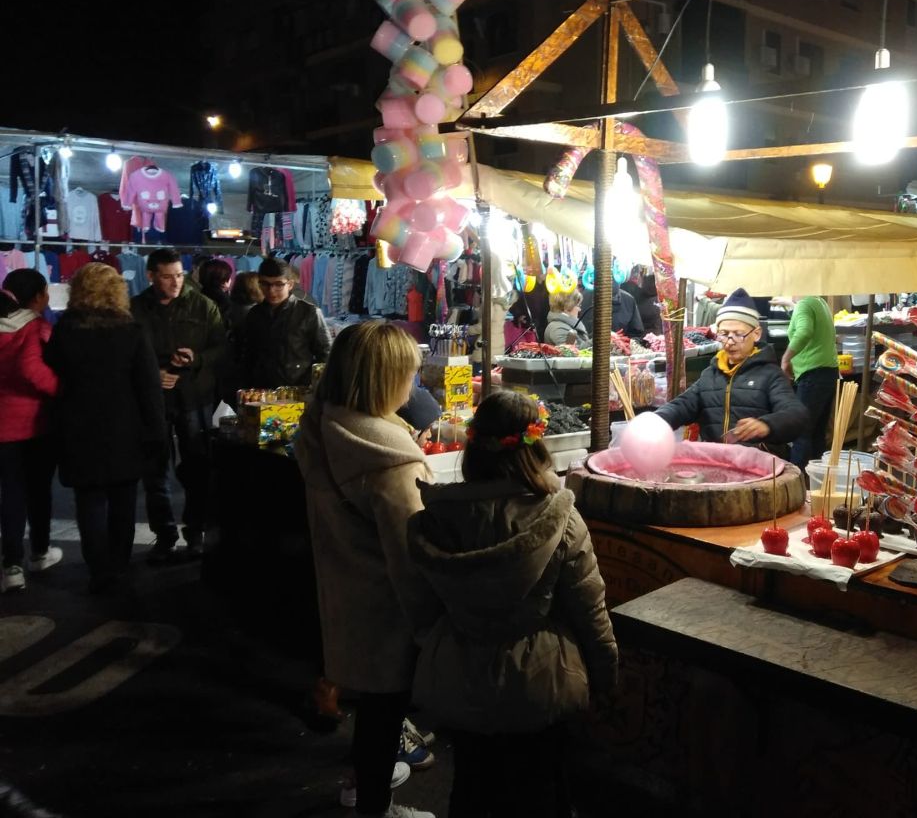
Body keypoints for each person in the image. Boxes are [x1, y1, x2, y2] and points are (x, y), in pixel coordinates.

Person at [407, 390, 618, 818]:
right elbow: (589, 611)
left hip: (458, 678)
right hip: (541, 682)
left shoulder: (436, 518)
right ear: (535, 447)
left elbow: (423, 606)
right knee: (541, 788)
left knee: (470, 785)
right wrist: (606, 676)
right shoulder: (559, 516)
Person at [294, 321, 438, 818]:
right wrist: (429, 624)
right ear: (386, 378)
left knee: (372, 714)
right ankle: (374, 808)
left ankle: (365, 793)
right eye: (411, 376)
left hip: (343, 588)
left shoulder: (325, 423)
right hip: (385, 607)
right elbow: (410, 554)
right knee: (383, 716)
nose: (414, 385)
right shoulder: (388, 459)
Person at [46, 264, 166, 593]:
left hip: (78, 427)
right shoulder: (131, 331)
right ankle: (119, 563)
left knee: (89, 502)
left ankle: (98, 568)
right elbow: (148, 388)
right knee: (124, 501)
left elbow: (54, 377)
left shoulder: (64, 331)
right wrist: (157, 432)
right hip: (124, 428)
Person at [131, 247, 227, 562]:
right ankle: (165, 534)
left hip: (193, 397)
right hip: (154, 401)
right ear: (151, 276)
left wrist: (194, 359)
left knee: (197, 467)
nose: (175, 282)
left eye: (179, 275)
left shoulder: (203, 305)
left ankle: (195, 531)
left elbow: (221, 348)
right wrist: (153, 373)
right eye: (168, 276)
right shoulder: (135, 309)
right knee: (155, 469)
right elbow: (128, 353)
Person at [655, 288, 809, 456]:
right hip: (718, 465)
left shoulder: (771, 375)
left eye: (738, 334)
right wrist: (657, 419)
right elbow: (683, 404)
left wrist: (767, 425)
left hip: (758, 469)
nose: (729, 342)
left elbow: (797, 415)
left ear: (756, 334)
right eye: (724, 334)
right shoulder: (710, 375)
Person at [0, 270, 60, 593]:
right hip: (32, 423)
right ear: (36, 296)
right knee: (37, 490)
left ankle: (11, 563)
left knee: (10, 494)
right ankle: (38, 552)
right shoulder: (35, 326)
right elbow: (32, 369)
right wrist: (61, 389)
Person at [237, 257, 332, 390]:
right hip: (262, 392)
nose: (271, 290)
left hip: (298, 389)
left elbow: (326, 354)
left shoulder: (309, 312)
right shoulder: (254, 314)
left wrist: (312, 384)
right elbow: (248, 355)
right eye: (265, 284)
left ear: (290, 284)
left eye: (278, 284)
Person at [781, 296, 840, 470]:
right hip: (827, 373)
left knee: (801, 431)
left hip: (812, 374)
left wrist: (786, 358)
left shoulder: (805, 304)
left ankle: (795, 481)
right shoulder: (819, 303)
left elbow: (804, 331)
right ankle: (816, 480)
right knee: (817, 432)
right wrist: (790, 304)